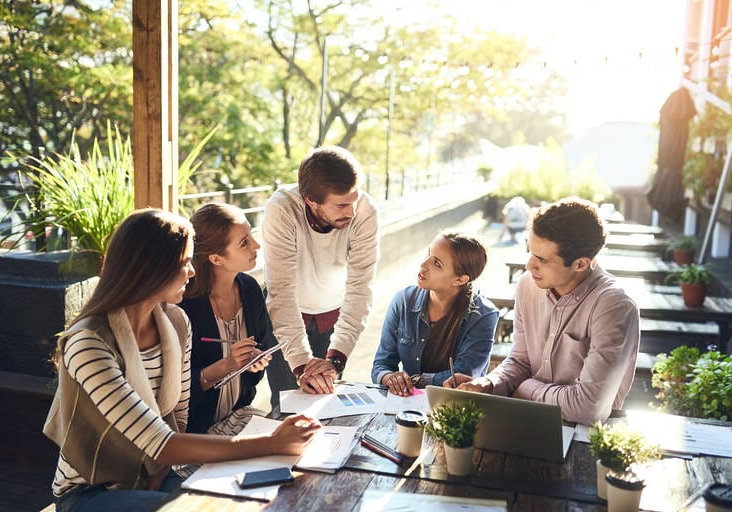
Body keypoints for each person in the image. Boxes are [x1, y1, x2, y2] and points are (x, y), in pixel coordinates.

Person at [43, 209, 320, 512]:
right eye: (185, 263)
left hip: (159, 472)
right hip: (92, 490)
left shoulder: (176, 323)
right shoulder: (89, 343)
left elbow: (178, 421)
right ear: (151, 268)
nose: (192, 272)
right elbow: (160, 442)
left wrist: (159, 479)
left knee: (252, 496)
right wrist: (271, 441)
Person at [445, 198, 640, 426]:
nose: (529, 266)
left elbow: (588, 408)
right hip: (526, 420)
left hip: (583, 435)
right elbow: (521, 361)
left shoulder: (614, 306)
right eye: (530, 252)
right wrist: (489, 383)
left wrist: (523, 388)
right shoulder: (528, 285)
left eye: (542, 259)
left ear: (580, 264)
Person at [263, 145, 379, 407]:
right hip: (286, 316)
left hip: (333, 313)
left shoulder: (364, 210)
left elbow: (361, 287)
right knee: (286, 405)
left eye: (354, 200)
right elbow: (281, 292)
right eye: (340, 206)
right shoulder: (282, 209)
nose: (350, 212)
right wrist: (301, 365)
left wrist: (336, 359)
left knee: (326, 402)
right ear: (310, 201)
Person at [179, 203, 274, 435]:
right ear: (216, 258)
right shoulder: (184, 304)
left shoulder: (250, 289)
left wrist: (254, 361)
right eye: (244, 242)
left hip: (238, 417)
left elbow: (253, 375)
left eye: (250, 234)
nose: (256, 245)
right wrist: (227, 365)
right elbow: (176, 392)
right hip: (194, 431)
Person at [371, 232, 499, 396]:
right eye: (428, 254)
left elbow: (462, 376)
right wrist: (389, 377)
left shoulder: (483, 315)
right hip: (405, 403)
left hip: (454, 407)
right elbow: (382, 363)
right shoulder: (403, 301)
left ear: (460, 280)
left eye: (437, 263)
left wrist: (412, 380)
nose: (423, 265)